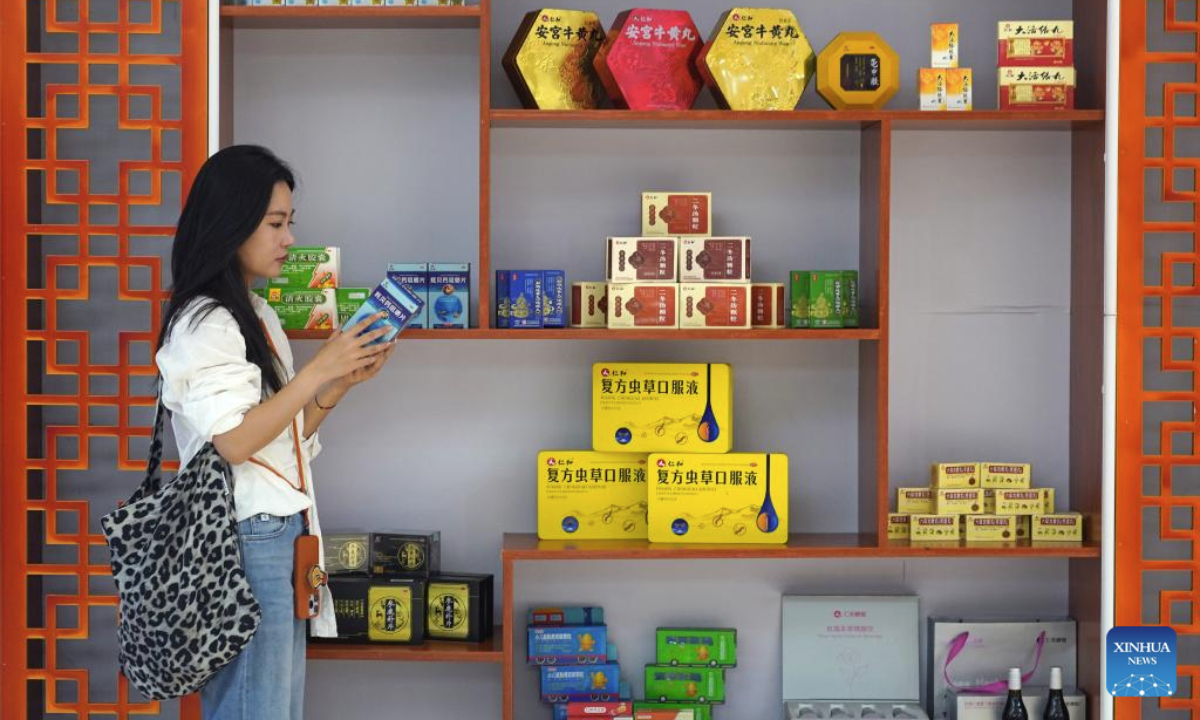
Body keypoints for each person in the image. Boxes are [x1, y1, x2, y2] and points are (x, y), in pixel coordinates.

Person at [155, 145, 395, 720]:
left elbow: (280, 441)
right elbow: (233, 443)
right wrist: (319, 369)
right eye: (275, 223)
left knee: (274, 707)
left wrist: (336, 388)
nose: (288, 238)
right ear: (231, 223)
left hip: (281, 534)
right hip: (246, 537)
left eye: (290, 222)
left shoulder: (255, 314)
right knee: (254, 707)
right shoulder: (204, 321)